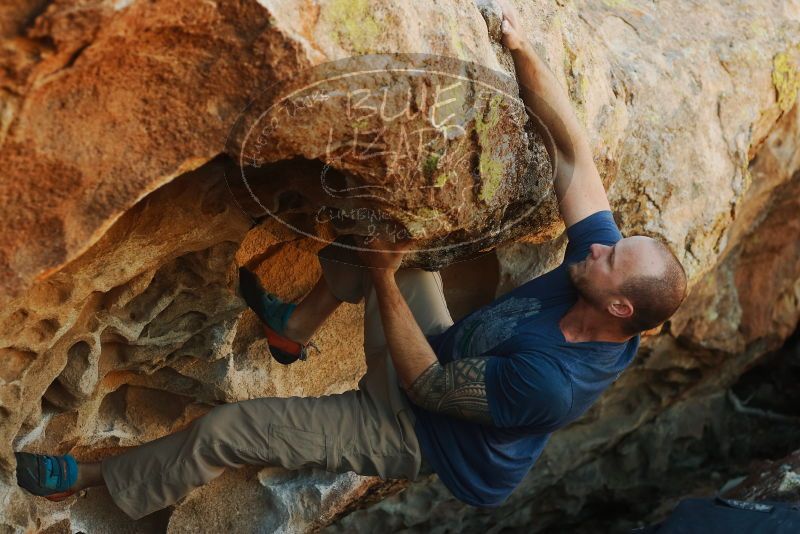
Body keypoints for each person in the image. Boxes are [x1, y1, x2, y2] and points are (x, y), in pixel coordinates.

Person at [14, 0, 687, 517]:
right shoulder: (599, 282)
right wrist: (521, 48)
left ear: (620, 306)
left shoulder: (554, 383)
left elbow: (425, 386)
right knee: (386, 234)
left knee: (230, 428)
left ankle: (88, 479)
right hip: (443, 360)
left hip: (417, 429)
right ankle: (293, 328)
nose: (598, 246)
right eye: (609, 244)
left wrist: (383, 275)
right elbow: (575, 161)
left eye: (611, 258)